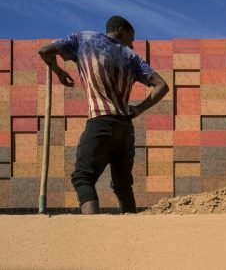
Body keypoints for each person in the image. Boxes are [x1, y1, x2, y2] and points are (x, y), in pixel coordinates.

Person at [38, 16, 169, 214]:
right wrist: (139, 108)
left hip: (100, 121)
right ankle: (132, 232)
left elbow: (44, 51)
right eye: (131, 37)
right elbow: (162, 86)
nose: (132, 43)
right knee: (123, 184)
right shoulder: (132, 56)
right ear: (122, 30)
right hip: (125, 127)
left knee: (82, 178)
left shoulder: (83, 39)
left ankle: (94, 230)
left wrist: (58, 70)